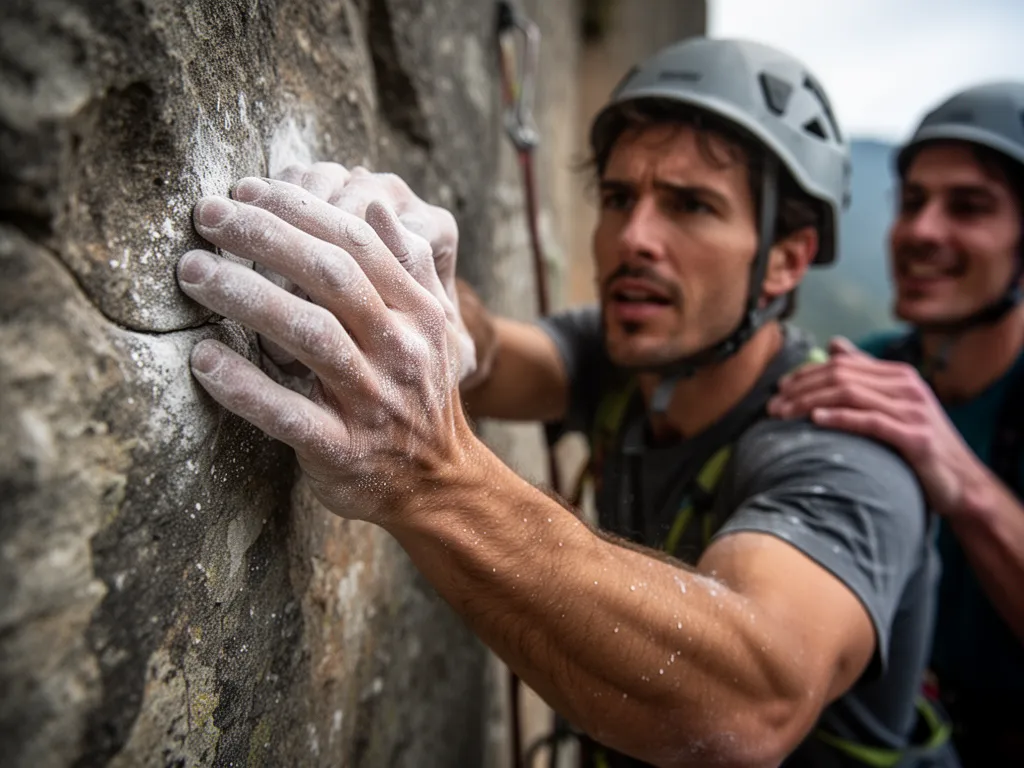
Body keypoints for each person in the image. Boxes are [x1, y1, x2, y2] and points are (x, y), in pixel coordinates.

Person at [174, 37, 954, 767]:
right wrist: (420, 281)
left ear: (785, 262)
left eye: (690, 205)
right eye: (618, 196)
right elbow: (494, 353)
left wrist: (433, 476)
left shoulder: (843, 448)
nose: (633, 237)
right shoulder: (630, 353)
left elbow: (749, 706)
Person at [770, 82, 1024, 765]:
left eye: (968, 207)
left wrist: (964, 484)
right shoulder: (873, 369)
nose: (922, 231)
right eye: (911, 202)